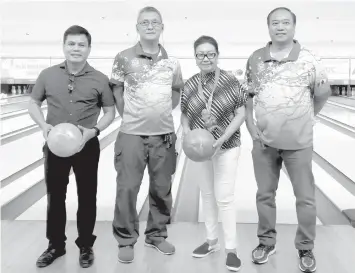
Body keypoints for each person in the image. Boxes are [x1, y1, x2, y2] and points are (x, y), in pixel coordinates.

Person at [244, 7, 330, 273]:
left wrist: (307, 117)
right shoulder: (255, 59)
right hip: (264, 143)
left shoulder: (309, 58)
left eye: (285, 23)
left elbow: (323, 93)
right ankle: (266, 243)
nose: (280, 27)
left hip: (299, 143)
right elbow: (248, 97)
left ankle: (305, 247)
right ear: (268, 26)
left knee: (305, 198)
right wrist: (251, 127)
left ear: (294, 26)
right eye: (274, 23)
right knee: (265, 196)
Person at [28, 25, 116, 268]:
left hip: (86, 145)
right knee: (55, 197)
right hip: (54, 146)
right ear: (64, 46)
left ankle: (85, 245)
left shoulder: (100, 79)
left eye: (81, 44)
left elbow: (110, 112)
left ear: (88, 48)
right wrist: (43, 126)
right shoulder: (47, 74)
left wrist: (94, 131)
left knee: (87, 196)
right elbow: (33, 102)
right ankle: (55, 245)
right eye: (71, 44)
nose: (76, 48)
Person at [110, 6, 184, 263]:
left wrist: (161, 112)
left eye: (155, 22)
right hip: (131, 134)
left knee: (162, 189)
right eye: (145, 22)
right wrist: (128, 114)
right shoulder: (123, 58)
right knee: (127, 189)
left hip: (163, 135)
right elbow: (116, 89)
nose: (150, 26)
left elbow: (176, 91)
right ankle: (126, 239)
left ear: (162, 27)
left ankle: (156, 235)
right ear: (138, 27)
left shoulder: (172, 63)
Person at [181, 35, 247, 272]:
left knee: (224, 197)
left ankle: (231, 249)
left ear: (217, 55)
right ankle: (212, 242)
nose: (206, 58)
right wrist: (187, 133)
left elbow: (241, 113)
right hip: (200, 149)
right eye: (201, 54)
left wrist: (221, 139)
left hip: (227, 146)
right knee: (207, 195)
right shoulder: (190, 84)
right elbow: (185, 115)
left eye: (210, 54)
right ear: (195, 57)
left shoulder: (230, 80)